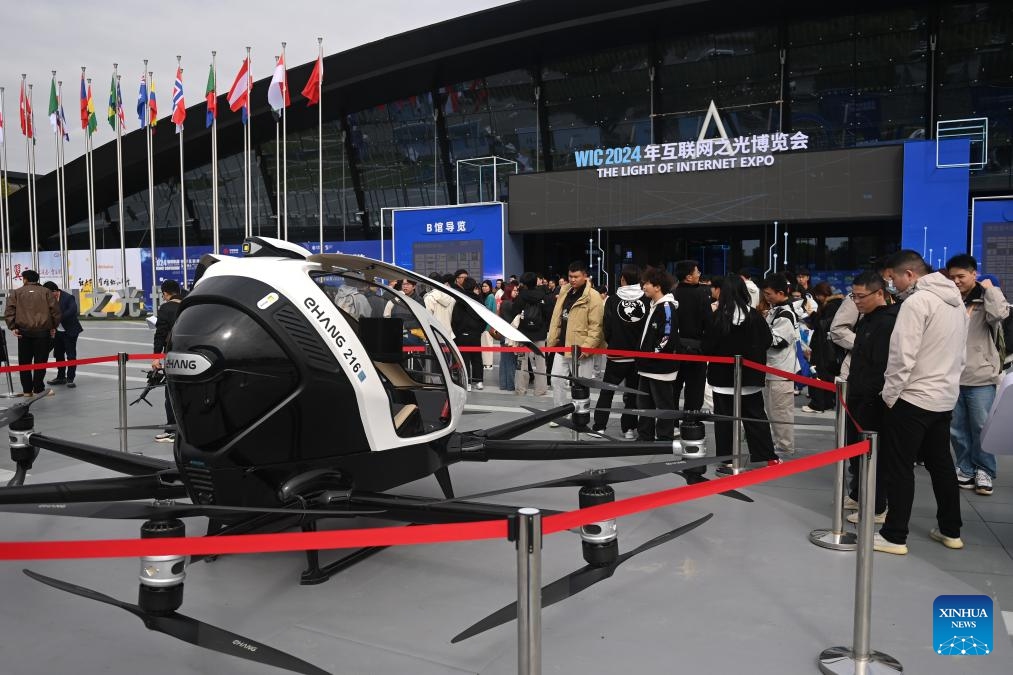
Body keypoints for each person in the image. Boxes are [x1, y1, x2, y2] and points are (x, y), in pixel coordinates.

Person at [876, 250, 967, 555]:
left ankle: (894, 535)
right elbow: (961, 353)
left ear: (910, 275)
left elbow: (902, 355)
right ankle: (950, 530)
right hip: (943, 398)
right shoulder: (955, 302)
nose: (893, 284)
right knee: (941, 465)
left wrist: (890, 395)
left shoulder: (916, 302)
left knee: (900, 467)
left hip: (913, 398)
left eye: (894, 278)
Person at [945, 254, 1009, 496]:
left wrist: (989, 289)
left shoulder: (986, 300)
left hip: (980, 375)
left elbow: (1000, 314)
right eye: (952, 277)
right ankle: (966, 467)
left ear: (974, 273)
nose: (956, 281)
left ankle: (984, 469)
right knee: (957, 427)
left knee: (982, 425)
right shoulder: (950, 300)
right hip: (952, 376)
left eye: (961, 276)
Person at [703, 276, 781, 471]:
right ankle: (766, 456)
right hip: (750, 378)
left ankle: (727, 459)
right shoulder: (754, 316)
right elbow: (767, 341)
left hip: (722, 379)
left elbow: (707, 346)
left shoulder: (718, 317)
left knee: (724, 422)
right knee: (755, 418)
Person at [842, 272, 897, 522]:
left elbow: (882, 365)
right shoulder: (866, 319)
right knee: (854, 449)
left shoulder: (889, 322)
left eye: (861, 296)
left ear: (879, 293)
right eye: (854, 295)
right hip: (857, 393)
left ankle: (876, 506)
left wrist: (874, 395)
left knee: (874, 455)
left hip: (873, 397)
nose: (857, 301)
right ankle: (857, 492)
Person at [592, 265, 648, 438]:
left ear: (623, 279)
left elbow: (606, 327)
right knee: (632, 394)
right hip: (638, 356)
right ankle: (629, 429)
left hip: (616, 354)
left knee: (607, 391)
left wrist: (613, 342)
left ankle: (599, 426)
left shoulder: (613, 300)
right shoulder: (646, 300)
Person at [546, 261, 604, 413]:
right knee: (556, 380)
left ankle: (581, 414)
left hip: (581, 349)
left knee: (581, 385)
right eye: (570, 276)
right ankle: (558, 413)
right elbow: (556, 318)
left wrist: (587, 347)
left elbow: (596, 326)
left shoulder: (593, 296)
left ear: (585, 276)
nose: (572, 279)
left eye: (576, 276)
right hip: (562, 345)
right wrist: (552, 339)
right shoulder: (565, 291)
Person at [635, 267, 681, 442]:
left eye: (646, 283)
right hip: (647, 364)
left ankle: (664, 437)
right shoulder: (654, 305)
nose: (643, 287)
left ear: (658, 286)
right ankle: (645, 435)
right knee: (644, 403)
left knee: (663, 403)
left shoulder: (667, 307)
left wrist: (653, 353)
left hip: (660, 366)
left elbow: (667, 336)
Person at [4, 270, 60, 396]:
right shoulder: (46, 292)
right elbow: (55, 312)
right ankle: (38, 388)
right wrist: (53, 326)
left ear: (25, 279)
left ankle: (27, 390)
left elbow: (9, 311)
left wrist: (13, 327)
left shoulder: (16, 292)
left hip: (23, 333)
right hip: (42, 333)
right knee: (40, 362)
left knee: (24, 363)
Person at [760, 273, 798, 455]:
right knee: (773, 411)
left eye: (769, 294)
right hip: (772, 369)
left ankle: (784, 446)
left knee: (780, 412)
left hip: (781, 371)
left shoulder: (785, 313)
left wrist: (757, 334)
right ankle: (779, 443)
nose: (766, 297)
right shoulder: (776, 310)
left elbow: (778, 341)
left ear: (781, 292)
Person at [672, 259, 711, 413]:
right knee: (695, 388)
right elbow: (709, 324)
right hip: (696, 349)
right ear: (688, 277)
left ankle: (671, 424)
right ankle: (691, 424)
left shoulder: (672, 294)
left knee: (673, 387)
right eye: (697, 272)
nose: (699, 274)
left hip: (674, 349)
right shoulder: (702, 295)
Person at [802, 282, 845, 413]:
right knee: (825, 374)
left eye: (817, 296)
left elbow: (822, 325)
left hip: (823, 346)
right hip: (828, 347)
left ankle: (818, 404)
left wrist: (812, 315)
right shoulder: (836, 305)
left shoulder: (831, 306)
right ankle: (826, 402)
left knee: (818, 373)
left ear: (821, 295)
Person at [152, 279, 183, 443]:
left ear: (165, 294)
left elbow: (160, 334)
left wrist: (156, 356)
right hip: (191, 355)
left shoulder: (166, 308)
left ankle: (172, 430)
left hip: (173, 356)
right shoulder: (189, 304)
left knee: (170, 393)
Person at [512, 272, 549, 397]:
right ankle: (540, 390)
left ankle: (521, 389)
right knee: (540, 363)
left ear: (524, 284)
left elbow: (514, 312)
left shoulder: (521, 296)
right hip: (540, 333)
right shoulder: (543, 295)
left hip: (523, 334)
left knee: (521, 362)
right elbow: (548, 314)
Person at [43, 282, 83, 388]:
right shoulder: (47, 299)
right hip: (57, 332)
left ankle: (70, 379)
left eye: (49, 294)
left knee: (70, 355)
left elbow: (72, 310)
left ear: (55, 291)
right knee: (58, 354)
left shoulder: (68, 297)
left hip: (69, 331)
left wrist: (57, 318)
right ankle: (61, 377)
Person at [451, 277, 486, 389]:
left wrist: (458, 332)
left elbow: (455, 319)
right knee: (477, 358)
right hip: (475, 334)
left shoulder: (460, 301)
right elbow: (484, 318)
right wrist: (479, 330)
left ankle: (467, 382)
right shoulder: (479, 300)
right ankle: (479, 381)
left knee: (464, 358)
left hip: (462, 334)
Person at [497, 282, 518, 391]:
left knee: (504, 361)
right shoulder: (509, 304)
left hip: (504, 335)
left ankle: (504, 384)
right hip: (509, 335)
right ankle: (510, 385)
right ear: (510, 291)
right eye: (515, 290)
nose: (517, 292)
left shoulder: (504, 303)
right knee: (510, 361)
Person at [479, 280, 497, 370]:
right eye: (483, 286)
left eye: (486, 286)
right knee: (486, 345)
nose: (483, 288)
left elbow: (487, 310)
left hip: (487, 325)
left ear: (490, 287)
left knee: (487, 346)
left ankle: (488, 364)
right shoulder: (488, 296)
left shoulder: (490, 297)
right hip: (487, 325)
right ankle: (487, 364)